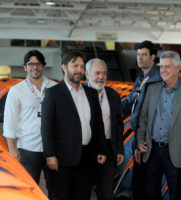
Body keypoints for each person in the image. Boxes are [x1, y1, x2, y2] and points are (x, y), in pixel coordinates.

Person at [136, 51, 181, 200]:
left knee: (179, 195)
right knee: (150, 194)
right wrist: (140, 141)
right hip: (152, 151)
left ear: (178, 68)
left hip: (179, 153)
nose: (163, 70)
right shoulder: (152, 89)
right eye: (161, 67)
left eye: (167, 67)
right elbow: (143, 118)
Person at [41, 51, 107, 200]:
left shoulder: (91, 93)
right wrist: (50, 154)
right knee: (61, 196)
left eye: (82, 66)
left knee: (83, 195)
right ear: (64, 67)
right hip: (61, 160)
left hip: (86, 157)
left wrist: (102, 149)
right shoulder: (53, 93)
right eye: (75, 65)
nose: (79, 70)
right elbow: (46, 128)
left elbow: (98, 124)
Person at [3, 49, 57, 184]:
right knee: (30, 186)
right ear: (25, 67)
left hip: (52, 147)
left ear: (43, 66)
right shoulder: (16, 90)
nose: (35, 67)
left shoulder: (54, 87)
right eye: (31, 64)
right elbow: (10, 122)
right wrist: (12, 150)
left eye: (38, 64)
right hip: (27, 148)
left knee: (57, 189)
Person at [121, 40, 162, 200]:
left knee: (149, 185)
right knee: (138, 183)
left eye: (144, 54)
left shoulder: (158, 79)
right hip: (138, 136)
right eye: (138, 55)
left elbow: (154, 116)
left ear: (153, 57)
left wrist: (141, 142)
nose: (140, 58)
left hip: (148, 141)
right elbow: (131, 100)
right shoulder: (141, 78)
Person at [85, 58, 124, 200]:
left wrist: (119, 149)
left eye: (104, 73)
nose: (101, 77)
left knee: (106, 192)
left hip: (108, 148)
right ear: (87, 74)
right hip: (85, 149)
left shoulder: (113, 96)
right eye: (97, 73)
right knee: (82, 192)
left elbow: (119, 125)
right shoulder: (78, 94)